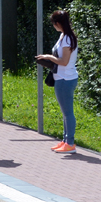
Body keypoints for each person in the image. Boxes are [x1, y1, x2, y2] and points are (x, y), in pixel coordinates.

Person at [36, 10, 79, 154]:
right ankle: (66, 140)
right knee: (65, 112)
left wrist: (48, 57)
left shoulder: (67, 38)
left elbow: (64, 61)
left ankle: (70, 143)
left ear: (58, 23)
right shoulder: (64, 36)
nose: (53, 26)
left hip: (65, 78)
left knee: (68, 112)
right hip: (63, 78)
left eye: (54, 23)